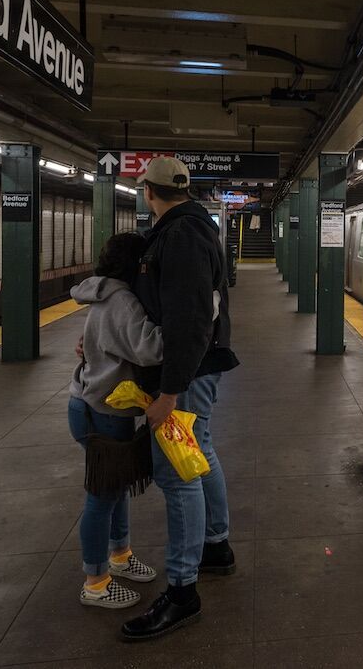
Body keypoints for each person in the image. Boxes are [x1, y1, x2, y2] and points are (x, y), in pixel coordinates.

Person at [120, 157, 240, 642]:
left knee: (177, 473)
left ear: (147, 190)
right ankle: (215, 546)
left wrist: (169, 392)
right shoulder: (189, 228)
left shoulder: (182, 236)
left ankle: (183, 590)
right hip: (196, 369)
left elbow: (191, 320)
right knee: (201, 450)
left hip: (186, 373)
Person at [67, 232, 162, 609]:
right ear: (137, 265)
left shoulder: (105, 294)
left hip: (93, 404)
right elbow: (151, 348)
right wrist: (202, 318)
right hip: (102, 411)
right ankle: (95, 581)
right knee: (102, 496)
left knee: (117, 487)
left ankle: (119, 557)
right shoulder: (122, 300)